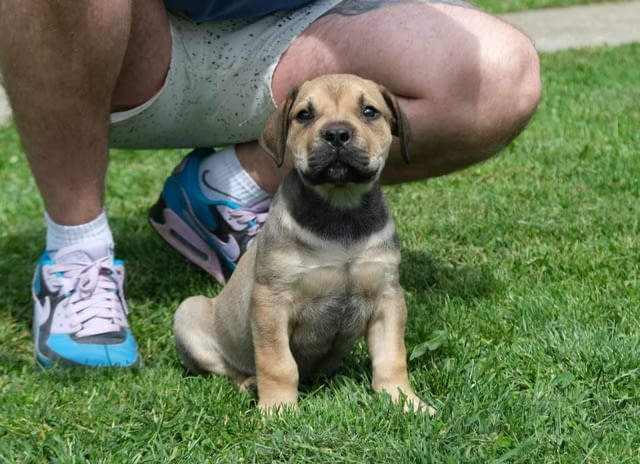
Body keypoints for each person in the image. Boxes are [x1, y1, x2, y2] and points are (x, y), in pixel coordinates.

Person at [0, 0, 541, 368]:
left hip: (307, 26)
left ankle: (226, 190)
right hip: (126, 34)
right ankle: (77, 254)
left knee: (500, 71)